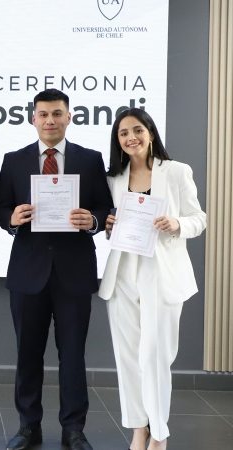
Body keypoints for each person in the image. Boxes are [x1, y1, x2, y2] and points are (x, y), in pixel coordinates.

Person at [0, 88, 114, 450]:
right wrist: (12, 218)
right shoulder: (14, 160)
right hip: (28, 272)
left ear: (69, 117)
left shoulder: (90, 160)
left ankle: (73, 429)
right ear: (33, 118)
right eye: (44, 114)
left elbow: (104, 207)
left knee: (73, 355)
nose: (50, 120)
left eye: (57, 113)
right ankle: (28, 427)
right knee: (27, 354)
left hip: (74, 272)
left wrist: (92, 220)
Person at [99, 108, 206, 450]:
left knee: (155, 356)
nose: (131, 137)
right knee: (128, 358)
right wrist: (109, 225)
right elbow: (110, 223)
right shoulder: (113, 178)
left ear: (150, 133)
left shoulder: (176, 172)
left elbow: (198, 218)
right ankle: (138, 428)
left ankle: (159, 432)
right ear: (117, 140)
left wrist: (177, 224)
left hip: (161, 274)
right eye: (123, 133)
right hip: (123, 274)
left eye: (137, 130)